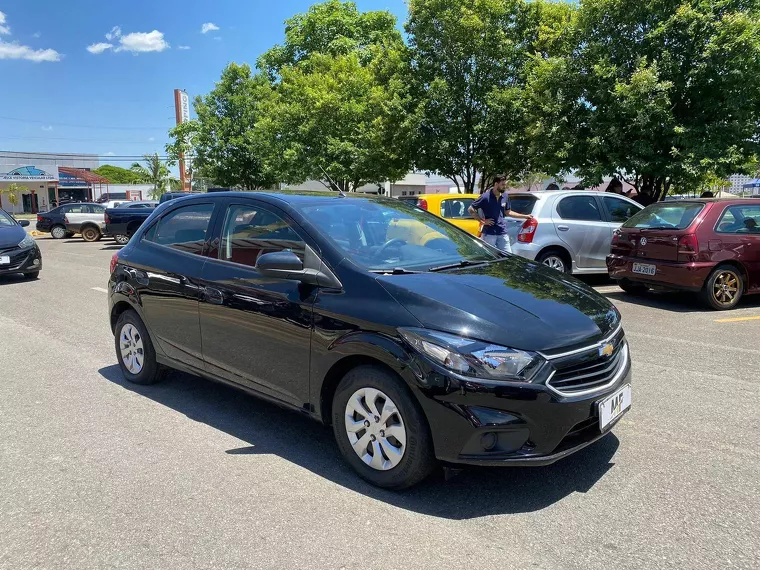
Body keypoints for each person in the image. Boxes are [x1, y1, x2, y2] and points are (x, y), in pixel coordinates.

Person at [468, 174, 532, 253]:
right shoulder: (485, 197)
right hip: (489, 233)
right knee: (489, 257)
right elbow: (471, 209)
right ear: (496, 184)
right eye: (503, 185)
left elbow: (508, 212)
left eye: (505, 184)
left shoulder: (505, 196)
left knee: (507, 255)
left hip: (502, 232)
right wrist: (482, 221)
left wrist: (525, 216)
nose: (504, 186)